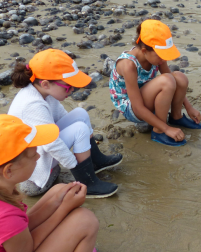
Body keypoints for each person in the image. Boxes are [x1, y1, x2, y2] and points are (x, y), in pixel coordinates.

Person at [0, 114, 99, 252]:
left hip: (11, 247)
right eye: (33, 154)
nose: (38, 157)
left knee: (57, 191)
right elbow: (25, 251)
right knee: (85, 220)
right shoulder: (3, 217)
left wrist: (56, 203)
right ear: (9, 171)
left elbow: (20, 228)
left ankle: (74, 247)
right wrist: (63, 208)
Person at [8, 49, 121, 198]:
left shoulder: (44, 92)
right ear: (46, 84)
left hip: (40, 149)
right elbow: (51, 143)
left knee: (80, 114)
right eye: (68, 86)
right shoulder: (32, 105)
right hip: (34, 168)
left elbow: (62, 118)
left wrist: (81, 149)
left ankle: (95, 160)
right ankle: (87, 181)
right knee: (79, 129)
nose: (72, 90)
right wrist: (75, 165)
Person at [109, 19, 201, 147]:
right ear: (144, 50)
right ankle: (158, 131)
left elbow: (174, 80)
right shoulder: (128, 65)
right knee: (167, 81)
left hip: (146, 96)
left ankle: (176, 117)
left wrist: (188, 106)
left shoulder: (157, 56)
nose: (163, 59)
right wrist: (166, 128)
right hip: (132, 108)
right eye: (161, 55)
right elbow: (137, 107)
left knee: (179, 77)